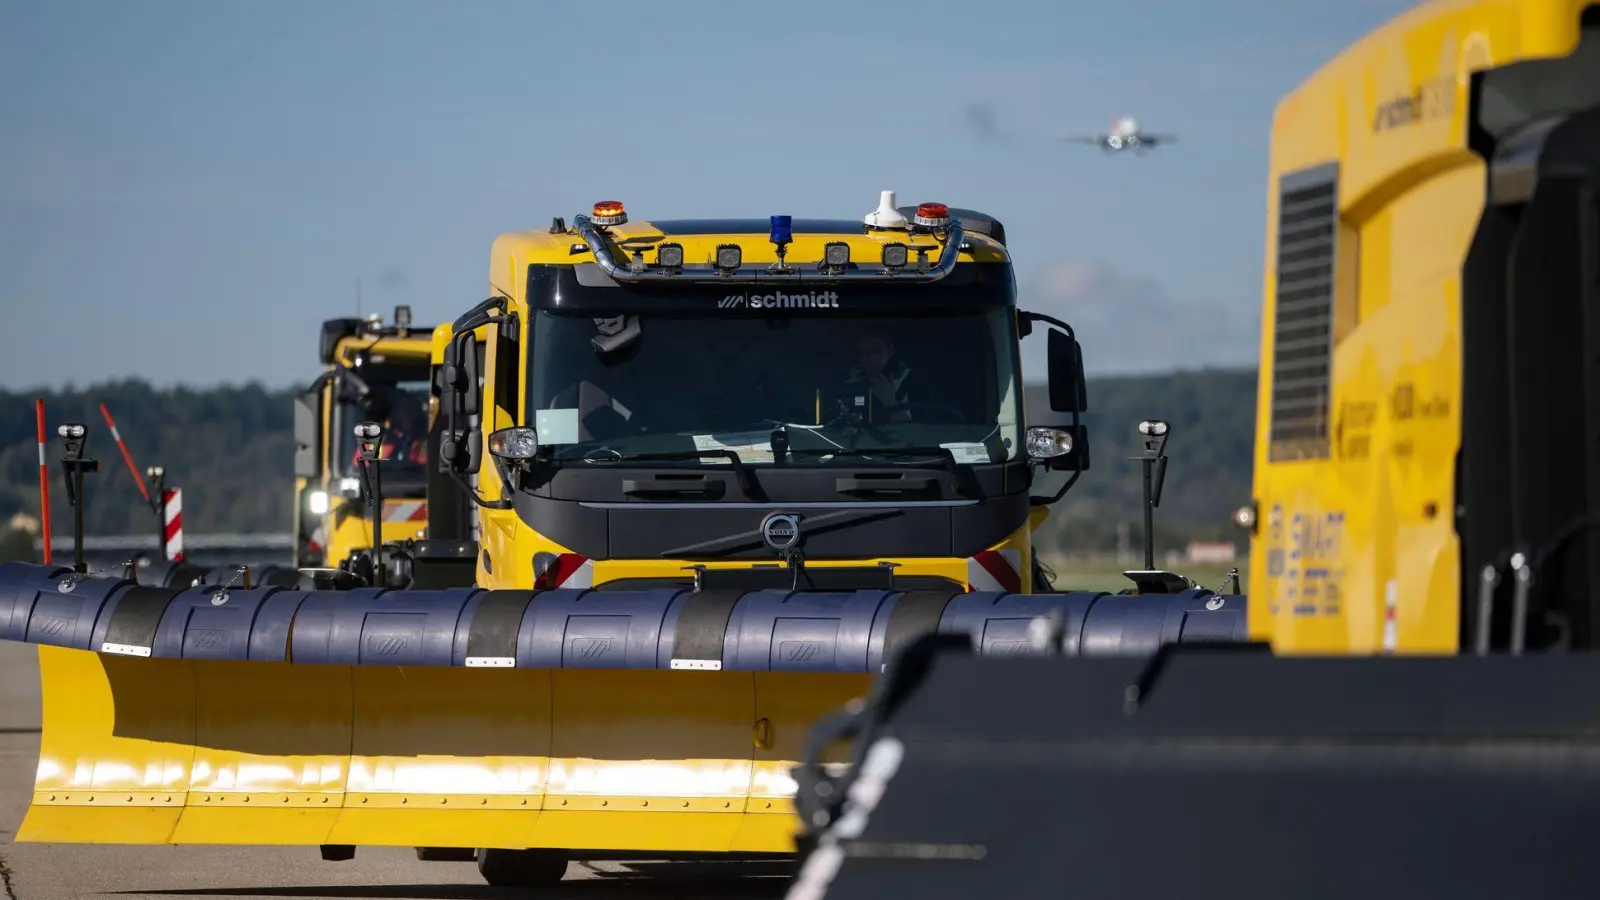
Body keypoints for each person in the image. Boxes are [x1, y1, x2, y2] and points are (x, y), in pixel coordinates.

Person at [847, 330, 915, 423]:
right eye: (864, 352)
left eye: (877, 350)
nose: (871, 357)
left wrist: (890, 402)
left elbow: (914, 430)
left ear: (890, 351)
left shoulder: (912, 381)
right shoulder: (858, 380)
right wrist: (854, 391)